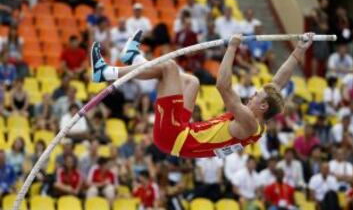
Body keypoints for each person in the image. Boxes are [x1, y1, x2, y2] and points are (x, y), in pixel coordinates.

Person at [89, 30, 315, 158]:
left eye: (257, 95)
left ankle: (106, 72)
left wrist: (232, 48)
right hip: (183, 131)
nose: (253, 93)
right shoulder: (258, 121)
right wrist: (299, 50)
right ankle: (134, 60)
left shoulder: (249, 122)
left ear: (263, 107)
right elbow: (279, 81)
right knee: (191, 82)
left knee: (168, 68)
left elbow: (223, 86)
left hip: (173, 136)